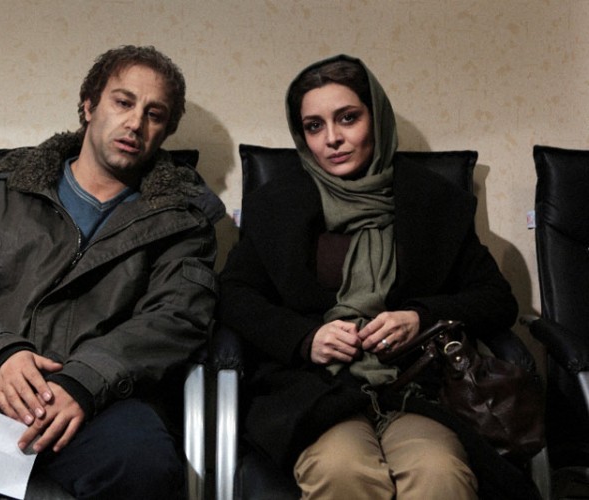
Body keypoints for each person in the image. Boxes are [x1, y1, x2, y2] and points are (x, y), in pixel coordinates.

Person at [0, 45, 223, 499]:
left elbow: (175, 318)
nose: (135, 123)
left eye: (154, 114)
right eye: (123, 102)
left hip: (101, 397)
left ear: (165, 130)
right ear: (89, 106)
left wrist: (86, 380)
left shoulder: (182, 218)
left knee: (146, 471)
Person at [218, 54, 539, 499]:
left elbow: (496, 299)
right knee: (341, 470)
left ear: (377, 118)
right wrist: (305, 338)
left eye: (348, 118)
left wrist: (420, 317)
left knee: (439, 474)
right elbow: (234, 295)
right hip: (315, 391)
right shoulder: (277, 205)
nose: (332, 138)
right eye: (314, 126)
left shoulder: (435, 202)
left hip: (417, 389)